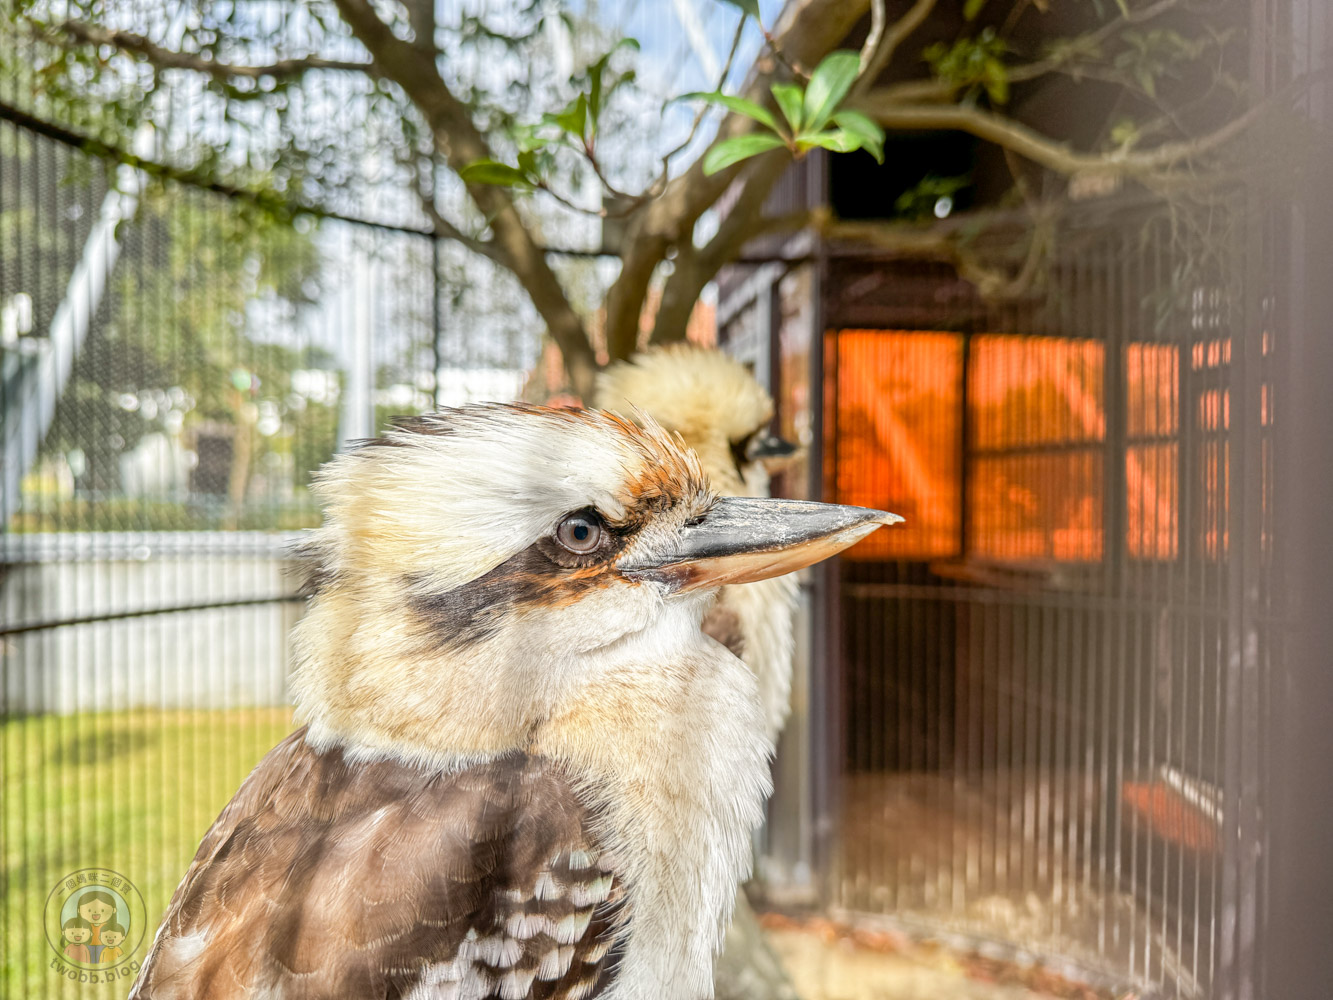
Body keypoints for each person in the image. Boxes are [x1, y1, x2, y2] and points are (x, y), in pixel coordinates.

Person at [76, 890, 117, 963]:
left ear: (114, 910)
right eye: (89, 910)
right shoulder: (84, 927)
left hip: (104, 946)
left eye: (102, 910)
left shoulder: (109, 927)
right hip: (88, 946)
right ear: (79, 910)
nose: (95, 913)